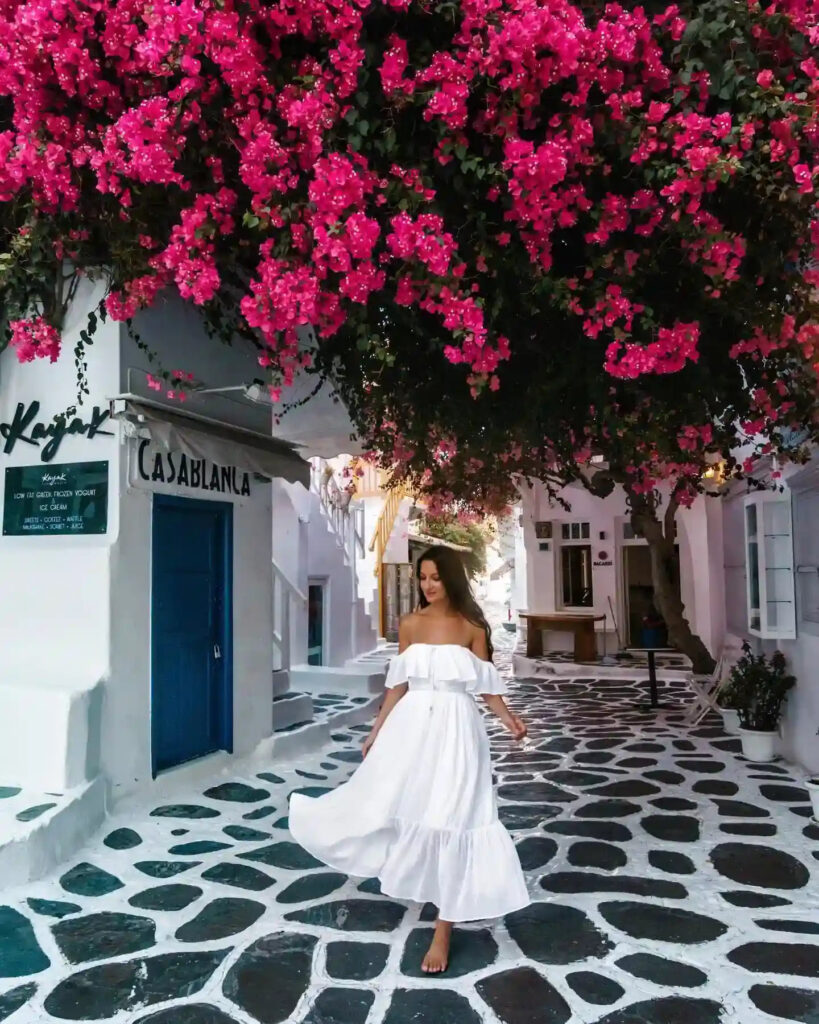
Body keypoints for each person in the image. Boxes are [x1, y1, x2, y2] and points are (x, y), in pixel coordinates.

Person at [289, 545, 530, 974]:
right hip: (412, 726)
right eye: (422, 577)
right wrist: (376, 730)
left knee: (456, 817)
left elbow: (487, 687)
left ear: (452, 578)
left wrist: (510, 720)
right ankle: (418, 875)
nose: (428, 584)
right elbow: (397, 686)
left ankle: (443, 929)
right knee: (395, 804)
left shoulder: (472, 626)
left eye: (436, 576)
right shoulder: (410, 624)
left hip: (458, 729)